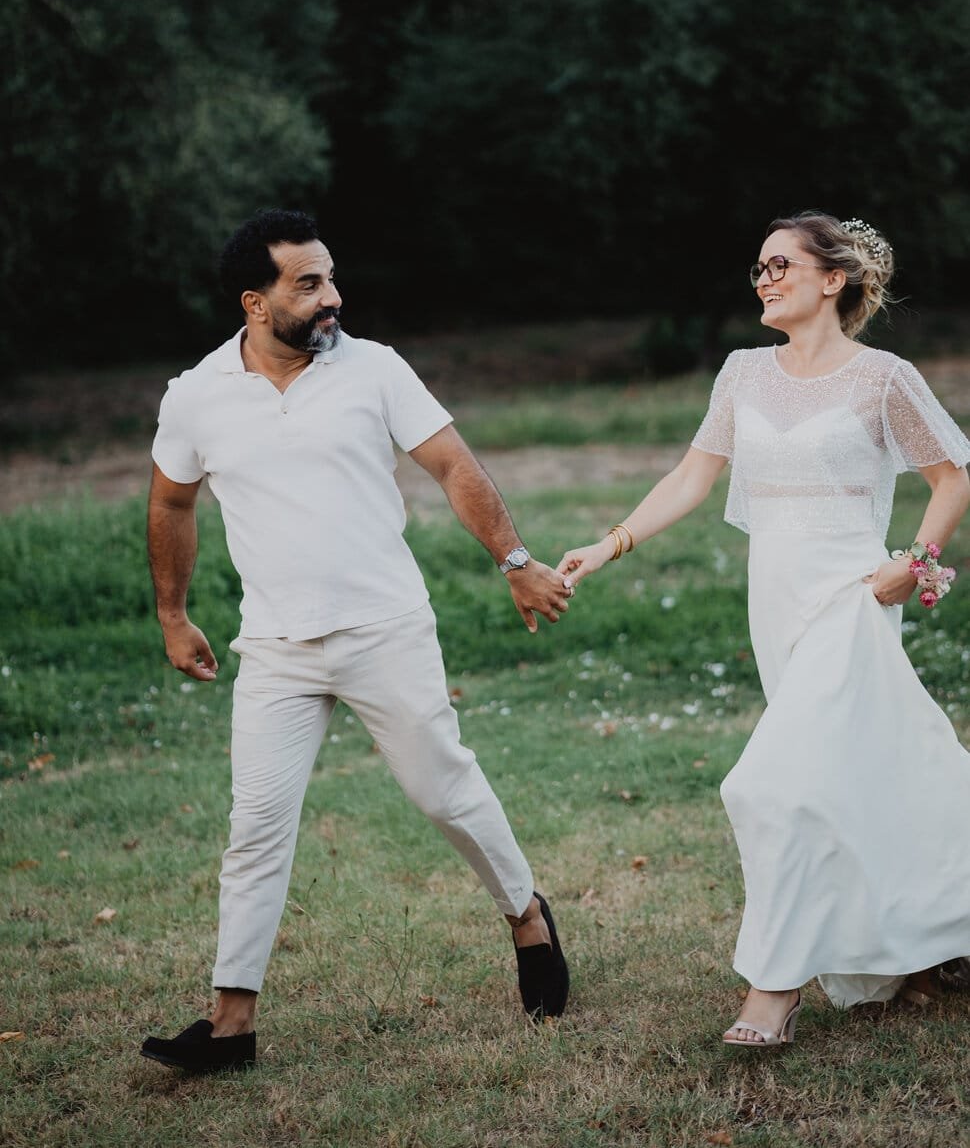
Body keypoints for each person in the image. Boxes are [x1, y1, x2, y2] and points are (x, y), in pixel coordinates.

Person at [140, 209, 570, 1074]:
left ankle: (527, 915)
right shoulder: (195, 394)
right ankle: (230, 1026)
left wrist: (515, 559)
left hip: (385, 628)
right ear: (255, 302)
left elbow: (452, 464)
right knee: (256, 828)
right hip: (275, 647)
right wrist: (173, 613)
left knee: (442, 792)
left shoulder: (374, 369)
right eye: (309, 283)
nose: (332, 296)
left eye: (331, 277)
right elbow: (171, 502)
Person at [557, 211, 970, 1047]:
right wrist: (609, 544)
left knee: (769, 784)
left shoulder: (883, 378)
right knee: (857, 770)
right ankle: (934, 928)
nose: (764, 279)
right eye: (758, 268)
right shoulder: (743, 372)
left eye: (781, 265)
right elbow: (690, 476)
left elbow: (953, 477)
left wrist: (914, 560)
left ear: (834, 279)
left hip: (851, 599)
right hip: (774, 602)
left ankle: (773, 986)